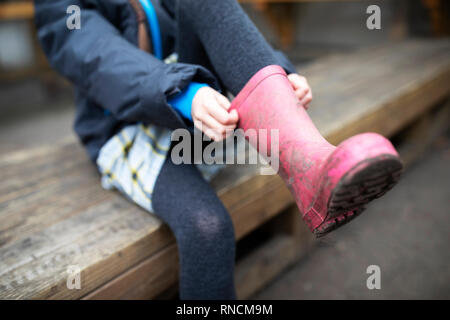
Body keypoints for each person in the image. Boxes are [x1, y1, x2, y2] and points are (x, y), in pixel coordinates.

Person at [34, 0, 402, 300]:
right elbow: (95, 56)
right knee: (208, 228)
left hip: (202, 117)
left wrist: (277, 75)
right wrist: (181, 91)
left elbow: (224, 29)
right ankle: (306, 169)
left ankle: (310, 165)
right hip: (130, 129)